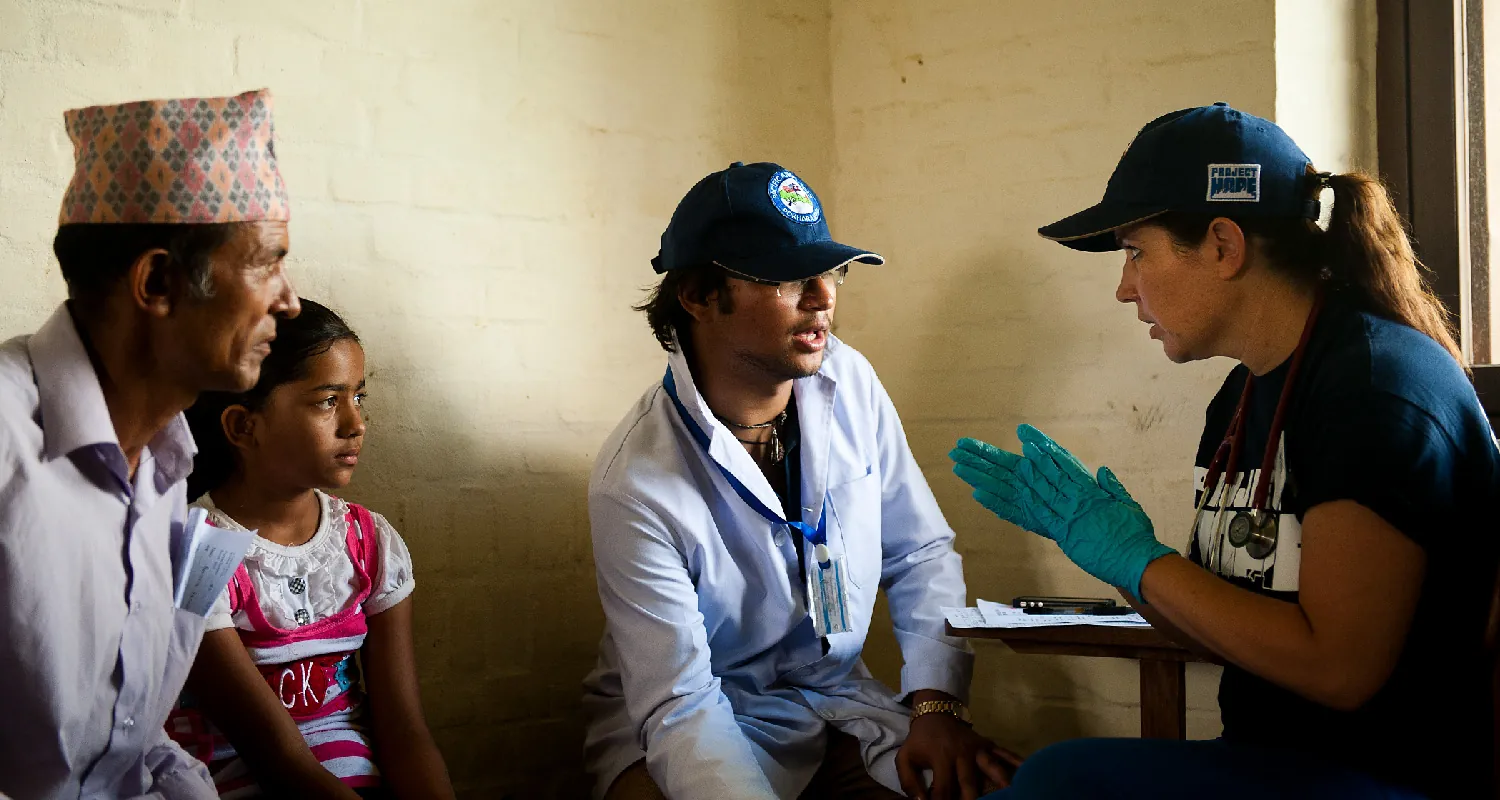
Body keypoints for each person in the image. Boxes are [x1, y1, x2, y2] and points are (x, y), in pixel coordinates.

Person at [951, 103, 1499, 799]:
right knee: (1053, 774)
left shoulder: (1372, 387)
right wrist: (1112, 557)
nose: (1125, 288)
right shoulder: (1242, 396)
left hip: (1385, 776)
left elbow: (1339, 670)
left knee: (1057, 782)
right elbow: (1226, 634)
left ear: (1222, 245)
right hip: (1275, 761)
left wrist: (1142, 560)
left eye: (1135, 252)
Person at [583, 162, 1018, 800]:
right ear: (700, 296)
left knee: (986, 789)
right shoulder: (636, 483)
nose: (824, 297)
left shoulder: (852, 383)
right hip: (686, 724)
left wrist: (936, 705)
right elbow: (681, 705)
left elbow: (918, 551)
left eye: (831, 270)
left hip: (837, 702)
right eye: (787, 278)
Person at [0, 89, 300, 798]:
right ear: (159, 281)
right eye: (266, 263)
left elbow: (124, 744)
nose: (286, 300)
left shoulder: (165, 466)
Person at [166, 300, 454, 799]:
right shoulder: (200, 552)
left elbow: (405, 735)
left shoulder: (369, 542)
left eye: (359, 397)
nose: (356, 422)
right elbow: (277, 757)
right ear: (242, 427)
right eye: (327, 400)